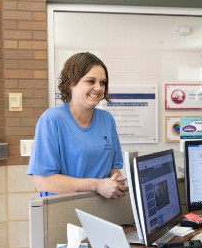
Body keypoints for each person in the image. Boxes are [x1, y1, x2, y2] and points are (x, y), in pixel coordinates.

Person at [27, 52, 127, 198]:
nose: (98, 88)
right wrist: (96, 185)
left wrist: (115, 181)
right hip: (63, 209)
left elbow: (114, 168)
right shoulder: (52, 120)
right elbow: (43, 182)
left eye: (102, 82)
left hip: (103, 208)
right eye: (90, 81)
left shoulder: (107, 120)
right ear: (70, 83)